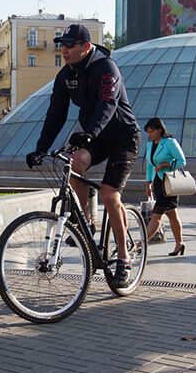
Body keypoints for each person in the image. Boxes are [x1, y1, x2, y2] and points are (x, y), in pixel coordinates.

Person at [26, 24, 140, 288]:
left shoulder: (106, 68)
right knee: (74, 161)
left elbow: (107, 105)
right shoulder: (66, 75)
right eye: (61, 45)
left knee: (111, 196)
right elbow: (55, 113)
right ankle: (87, 219)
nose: (63, 49)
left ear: (85, 47)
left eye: (69, 45)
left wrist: (89, 133)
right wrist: (41, 147)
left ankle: (124, 259)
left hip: (123, 137)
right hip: (95, 136)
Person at [144, 118, 187, 256]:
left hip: (169, 184)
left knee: (156, 216)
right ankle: (180, 244)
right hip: (158, 182)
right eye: (148, 132)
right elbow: (150, 165)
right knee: (172, 214)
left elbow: (182, 161)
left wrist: (165, 165)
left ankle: (140, 245)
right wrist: (148, 182)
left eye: (151, 131)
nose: (149, 134)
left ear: (159, 130)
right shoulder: (150, 144)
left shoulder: (170, 142)